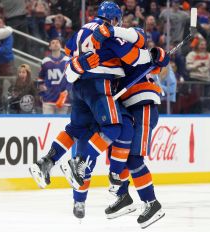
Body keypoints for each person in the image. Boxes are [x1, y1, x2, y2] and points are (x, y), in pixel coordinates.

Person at [29, 1, 168, 227]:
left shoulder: (79, 32)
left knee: (75, 130)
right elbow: (136, 57)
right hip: (100, 86)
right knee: (117, 129)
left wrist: (78, 65)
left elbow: (69, 57)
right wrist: (154, 56)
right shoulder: (109, 35)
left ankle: (48, 160)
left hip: (80, 88)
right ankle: (86, 166)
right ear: (114, 20)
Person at [38, 38, 71, 114]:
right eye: (53, 43)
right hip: (48, 99)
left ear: (61, 45)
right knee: (46, 123)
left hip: (63, 99)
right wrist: (43, 90)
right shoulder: (45, 61)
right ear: (50, 47)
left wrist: (67, 90)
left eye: (57, 42)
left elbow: (72, 79)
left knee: (61, 124)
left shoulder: (67, 61)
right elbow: (40, 79)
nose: (55, 44)